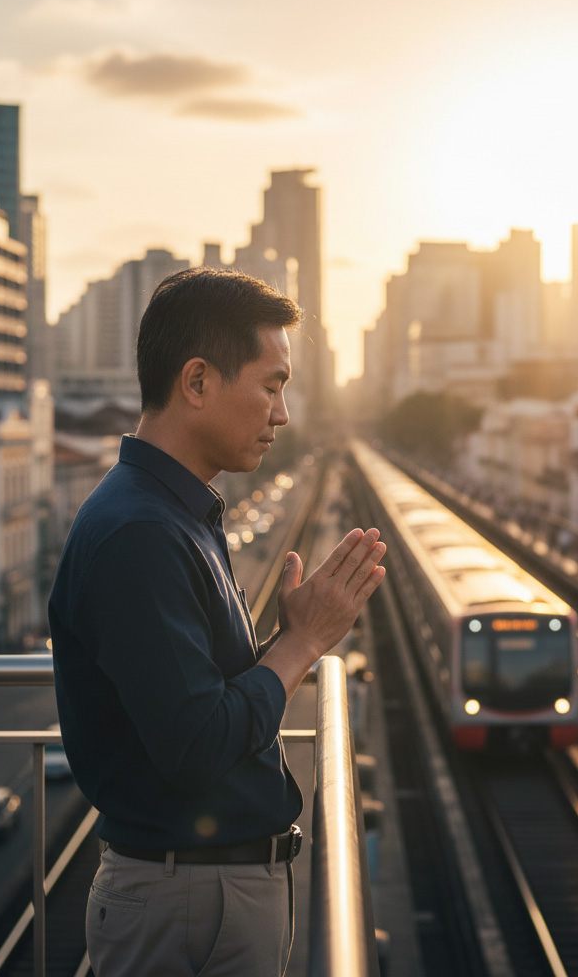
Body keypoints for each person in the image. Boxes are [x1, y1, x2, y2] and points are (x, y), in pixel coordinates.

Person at [48, 268, 387, 977]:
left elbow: (193, 695)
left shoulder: (172, 513)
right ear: (196, 382)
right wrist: (302, 644)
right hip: (189, 903)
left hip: (201, 895)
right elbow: (197, 743)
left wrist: (277, 644)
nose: (283, 413)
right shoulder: (139, 531)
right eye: (271, 385)